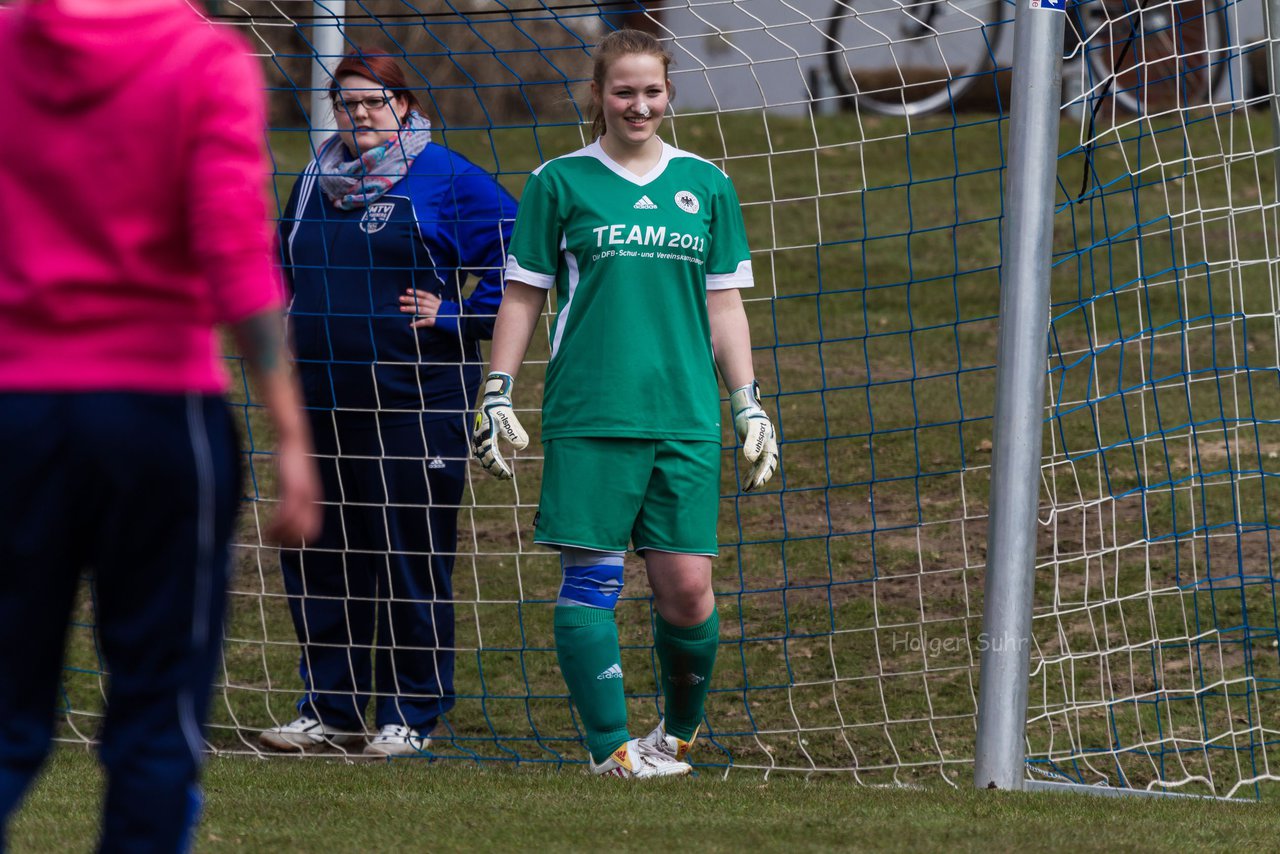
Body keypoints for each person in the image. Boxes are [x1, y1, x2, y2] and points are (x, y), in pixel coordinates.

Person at [0, 0, 322, 849]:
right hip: (156, 418)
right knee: (157, 709)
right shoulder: (202, 58)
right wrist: (292, 431)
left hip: (17, 415)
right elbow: (234, 250)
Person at [472, 28, 779, 779]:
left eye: (651, 92)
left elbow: (725, 307)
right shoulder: (559, 181)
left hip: (683, 415)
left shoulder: (706, 184)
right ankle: (610, 750)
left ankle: (674, 739)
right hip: (593, 410)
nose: (638, 105)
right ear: (598, 97)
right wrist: (496, 388)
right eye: (623, 91)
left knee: (687, 588)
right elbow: (523, 295)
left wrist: (748, 403)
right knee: (593, 580)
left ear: (669, 94)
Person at [259, 52, 518, 757]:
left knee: (408, 553)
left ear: (404, 104)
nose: (361, 114)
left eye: (375, 101)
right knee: (320, 554)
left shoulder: (446, 176)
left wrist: (459, 317)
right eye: (347, 103)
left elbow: (521, 252)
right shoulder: (317, 174)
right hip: (321, 400)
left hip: (414, 403)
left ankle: (411, 712)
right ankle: (329, 707)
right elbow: (287, 259)